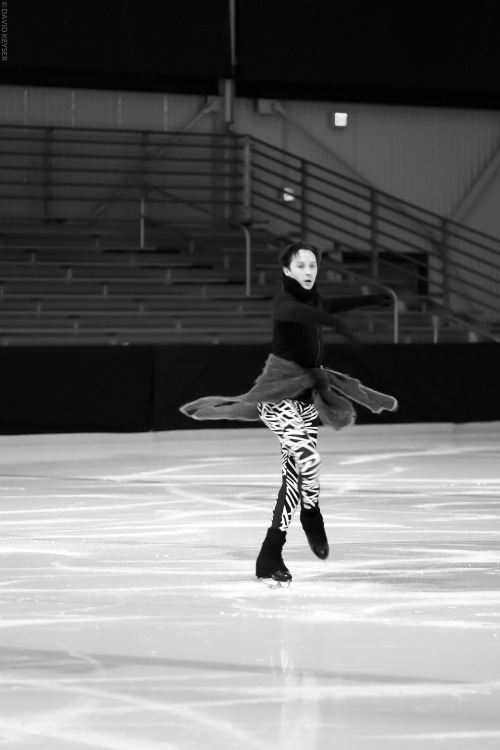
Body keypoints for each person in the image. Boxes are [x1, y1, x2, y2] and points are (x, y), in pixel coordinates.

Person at [180, 241, 397, 587]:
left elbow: (329, 305)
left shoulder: (313, 299)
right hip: (278, 400)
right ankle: (310, 514)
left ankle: (270, 556)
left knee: (295, 473)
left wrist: (370, 299)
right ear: (287, 271)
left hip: (306, 402)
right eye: (301, 266)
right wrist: (332, 323)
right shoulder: (284, 302)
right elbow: (304, 314)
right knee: (309, 462)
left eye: (312, 266)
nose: (308, 271)